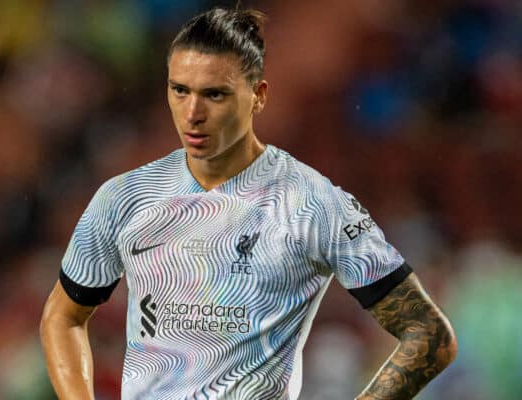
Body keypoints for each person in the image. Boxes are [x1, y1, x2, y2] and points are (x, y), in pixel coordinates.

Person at [40, 7, 457, 400]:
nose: (192, 113)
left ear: (258, 95)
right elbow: (62, 316)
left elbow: (429, 334)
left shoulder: (312, 202)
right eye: (179, 91)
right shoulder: (126, 196)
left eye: (215, 95)